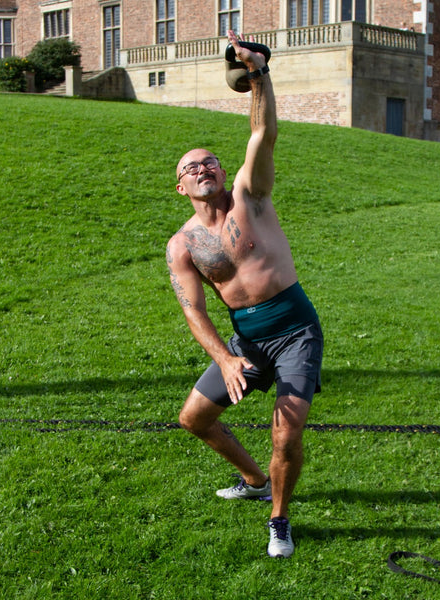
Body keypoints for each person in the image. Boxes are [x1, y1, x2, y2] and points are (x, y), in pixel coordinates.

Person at [166, 30, 323, 558]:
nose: (201, 169)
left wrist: (257, 73)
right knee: (193, 418)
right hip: (247, 342)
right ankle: (254, 480)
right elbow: (195, 311)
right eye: (190, 168)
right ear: (181, 188)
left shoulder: (249, 197)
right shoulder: (182, 245)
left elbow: (263, 134)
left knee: (286, 434)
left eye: (207, 161)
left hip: (295, 330)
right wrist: (225, 361)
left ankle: (279, 519)